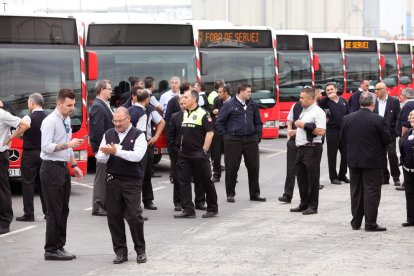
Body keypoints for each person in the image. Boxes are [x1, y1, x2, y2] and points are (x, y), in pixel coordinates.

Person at [96, 107, 148, 264]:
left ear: (128, 119)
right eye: (115, 121)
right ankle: (120, 252)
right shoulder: (109, 134)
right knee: (114, 216)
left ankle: (140, 250)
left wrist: (116, 152)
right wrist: (106, 153)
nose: (117, 124)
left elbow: (137, 156)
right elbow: (100, 157)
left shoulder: (139, 135)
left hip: (132, 181)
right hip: (113, 180)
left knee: (134, 215)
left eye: (120, 121)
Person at [40, 88, 84, 260]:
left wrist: (74, 165)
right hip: (51, 168)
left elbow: (68, 145)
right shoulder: (50, 121)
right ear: (59, 103)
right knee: (54, 210)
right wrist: (68, 145)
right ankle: (51, 249)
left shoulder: (66, 120)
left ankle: (59, 246)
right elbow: (46, 147)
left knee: (63, 209)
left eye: (73, 104)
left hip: (62, 168)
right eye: (69, 105)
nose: (72, 108)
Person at [341, 91, 392, 231]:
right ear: (373, 104)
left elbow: (343, 138)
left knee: (356, 191)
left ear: (360, 103)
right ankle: (370, 223)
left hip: (354, 161)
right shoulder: (378, 119)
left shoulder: (347, 118)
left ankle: (356, 222)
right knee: (372, 191)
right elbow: (387, 139)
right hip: (373, 162)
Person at [216, 83, 266, 203]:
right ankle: (230, 194)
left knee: (254, 168)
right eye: (248, 91)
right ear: (241, 91)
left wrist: (257, 136)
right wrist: (226, 137)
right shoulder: (229, 104)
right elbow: (219, 122)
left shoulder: (252, 104)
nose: (250, 93)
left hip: (250, 140)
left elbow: (258, 122)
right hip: (233, 140)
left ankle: (255, 194)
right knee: (232, 167)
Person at [174, 90, 218, 218]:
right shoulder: (185, 113)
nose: (183, 100)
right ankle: (188, 209)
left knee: (206, 181)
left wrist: (203, 151)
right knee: (183, 181)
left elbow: (210, 133)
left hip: (199, 154)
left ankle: (212, 208)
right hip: (185, 154)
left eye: (186, 97)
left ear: (194, 99)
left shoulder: (204, 114)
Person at [289, 86, 326, 215]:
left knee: (312, 179)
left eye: (302, 98)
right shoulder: (304, 111)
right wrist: (295, 131)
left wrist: (303, 125)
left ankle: (313, 206)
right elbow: (304, 129)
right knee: (301, 178)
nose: (300, 100)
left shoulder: (318, 112)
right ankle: (303, 203)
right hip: (301, 148)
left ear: (310, 98)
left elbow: (321, 132)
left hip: (312, 148)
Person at [128, 88, 165, 210]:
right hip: (140, 144)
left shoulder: (149, 109)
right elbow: (139, 132)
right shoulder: (135, 110)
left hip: (148, 144)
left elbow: (161, 122)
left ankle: (148, 200)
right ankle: (135, 204)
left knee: (147, 173)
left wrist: (155, 137)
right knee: (139, 174)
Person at [17, 93, 48, 222]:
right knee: (44, 184)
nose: (28, 105)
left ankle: (29, 214)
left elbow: (19, 134)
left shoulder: (27, 118)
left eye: (28, 103)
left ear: (32, 103)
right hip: (44, 154)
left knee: (28, 183)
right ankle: (48, 212)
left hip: (30, 154)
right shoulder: (48, 117)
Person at [0, 105, 30, 234]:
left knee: (2, 190)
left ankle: (4, 222)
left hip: (0, 155)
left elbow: (24, 125)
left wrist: (12, 137)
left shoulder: (2, 114)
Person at [89, 80, 114, 216]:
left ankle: (103, 204)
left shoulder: (103, 104)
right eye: (109, 89)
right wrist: (102, 149)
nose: (111, 91)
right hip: (103, 149)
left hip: (107, 148)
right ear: (101, 90)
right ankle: (98, 206)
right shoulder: (98, 106)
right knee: (101, 178)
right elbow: (98, 131)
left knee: (105, 177)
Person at [318, 82, 350, 185]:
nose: (330, 91)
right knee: (332, 155)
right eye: (328, 90)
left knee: (345, 155)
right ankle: (333, 177)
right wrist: (328, 98)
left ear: (336, 90)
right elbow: (319, 105)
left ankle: (342, 175)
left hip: (344, 132)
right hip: (332, 132)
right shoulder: (325, 102)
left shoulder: (343, 101)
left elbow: (349, 115)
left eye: (332, 89)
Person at [373, 82, 401, 186]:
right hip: (377, 134)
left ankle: (396, 177)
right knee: (380, 156)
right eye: (375, 89)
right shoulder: (374, 102)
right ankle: (384, 177)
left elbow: (398, 117)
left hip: (390, 134)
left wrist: (396, 131)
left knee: (392, 155)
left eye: (378, 89)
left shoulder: (394, 101)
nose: (376, 91)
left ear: (384, 89)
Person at [166, 97, 186, 211]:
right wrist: (174, 149)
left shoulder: (195, 115)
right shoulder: (175, 117)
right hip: (178, 151)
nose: (183, 105)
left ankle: (199, 201)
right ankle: (178, 202)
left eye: (185, 103)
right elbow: (170, 135)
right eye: (181, 103)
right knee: (178, 178)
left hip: (192, 151)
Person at [210, 84, 230, 183]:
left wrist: (220, 113)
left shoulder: (233, 102)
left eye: (220, 92)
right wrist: (213, 112)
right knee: (216, 154)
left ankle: (232, 175)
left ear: (226, 93)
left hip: (229, 131)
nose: (218, 94)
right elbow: (211, 113)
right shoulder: (217, 101)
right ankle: (216, 175)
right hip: (217, 131)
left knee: (230, 155)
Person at [396, 88, 414, 191]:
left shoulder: (407, 105)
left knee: (405, 159)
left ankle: (406, 182)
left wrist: (403, 138)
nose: (400, 97)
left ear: (405, 96)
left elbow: (405, 124)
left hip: (408, 137)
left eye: (401, 95)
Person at [399, 110, 414, 227]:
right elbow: (402, 147)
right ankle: (411, 219)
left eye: (413, 117)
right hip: (407, 169)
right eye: (410, 117)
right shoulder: (408, 132)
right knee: (409, 194)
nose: (411, 119)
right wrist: (403, 163)